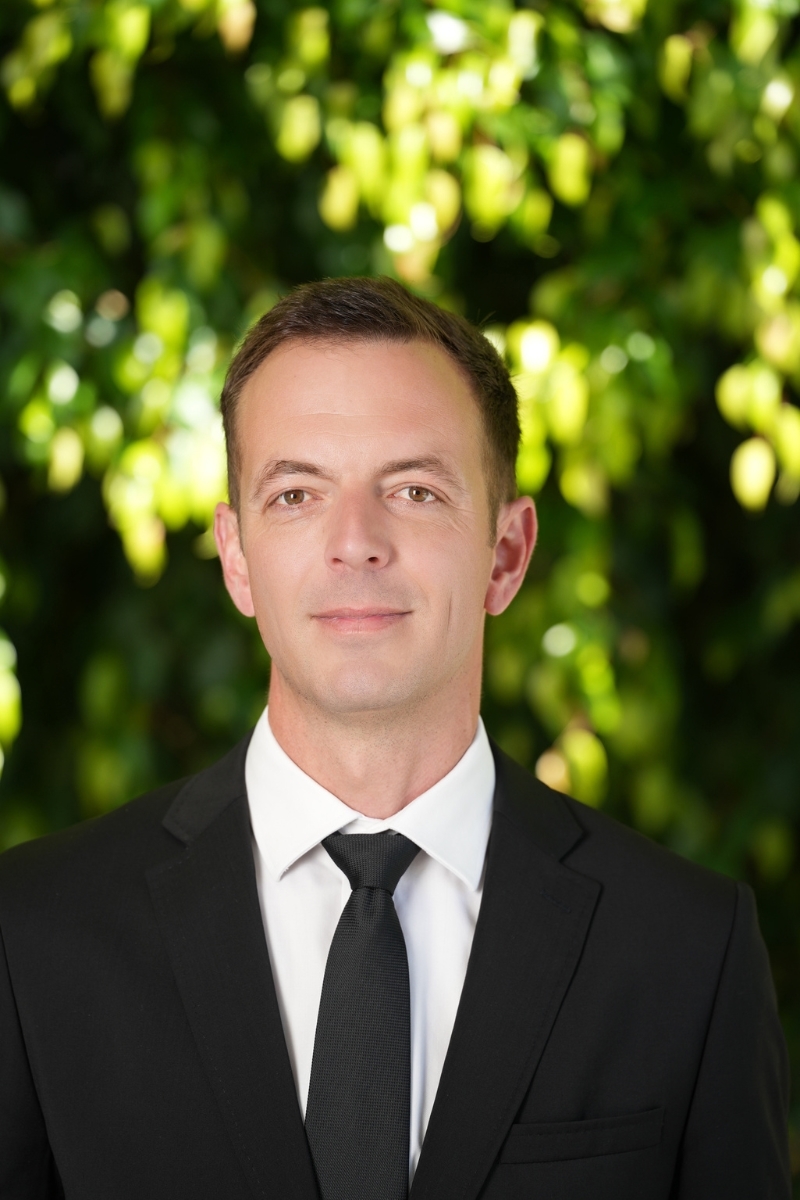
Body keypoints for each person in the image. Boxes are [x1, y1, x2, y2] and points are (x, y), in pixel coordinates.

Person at [0, 277, 790, 1200]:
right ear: (237, 557)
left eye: (415, 490)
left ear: (506, 554)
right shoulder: (32, 935)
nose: (356, 542)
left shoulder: (687, 950)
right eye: (296, 494)